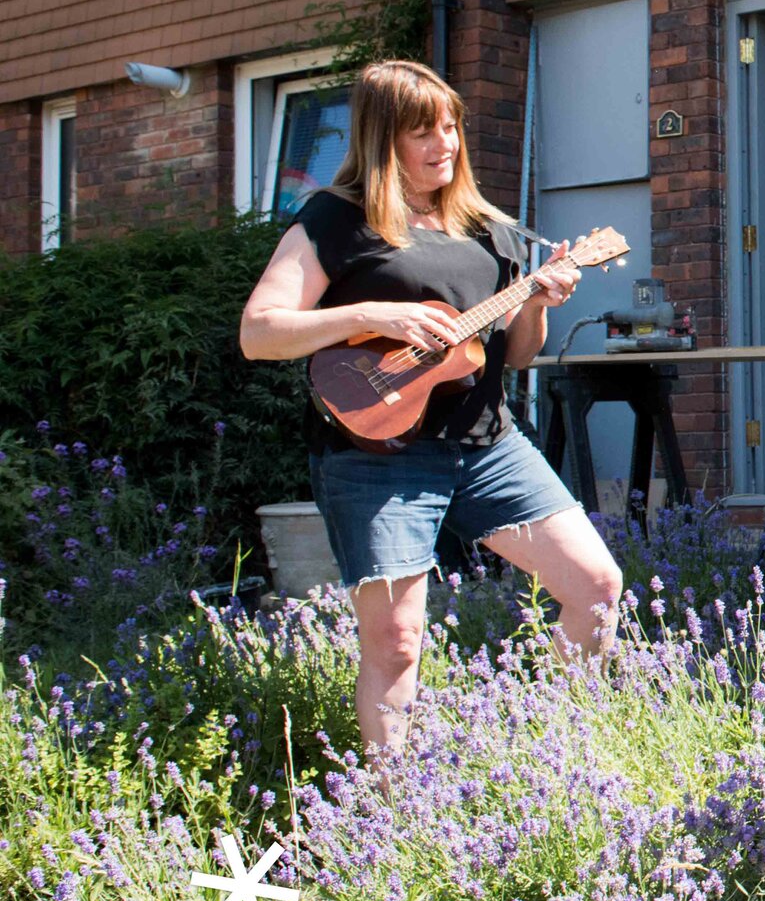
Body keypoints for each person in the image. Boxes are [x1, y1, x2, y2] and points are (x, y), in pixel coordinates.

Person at [240, 60, 624, 767]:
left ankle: (557, 757)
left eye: (451, 127)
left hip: (485, 446)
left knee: (597, 588)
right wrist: (368, 312)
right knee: (396, 641)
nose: (444, 144)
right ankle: (392, 809)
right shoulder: (336, 218)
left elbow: (519, 356)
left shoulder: (491, 230)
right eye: (424, 131)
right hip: (374, 458)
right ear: (383, 137)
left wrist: (537, 302)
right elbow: (259, 330)